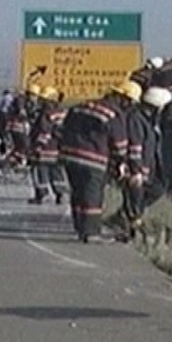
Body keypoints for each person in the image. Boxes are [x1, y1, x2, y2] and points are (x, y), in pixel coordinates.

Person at [58, 79, 142, 244]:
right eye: (130, 103)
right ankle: (91, 232)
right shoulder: (114, 113)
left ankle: (79, 227)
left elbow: (64, 127)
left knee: (78, 192)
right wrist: (121, 161)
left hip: (69, 156)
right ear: (123, 98)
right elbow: (119, 143)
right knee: (92, 195)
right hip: (94, 159)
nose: (129, 107)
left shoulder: (82, 105)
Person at [119, 86, 172, 242]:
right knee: (134, 197)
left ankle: (130, 217)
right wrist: (136, 170)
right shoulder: (136, 119)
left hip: (149, 167)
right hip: (136, 168)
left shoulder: (150, 121)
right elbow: (135, 145)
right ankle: (130, 227)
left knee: (157, 189)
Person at [27, 86, 69, 205]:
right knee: (57, 172)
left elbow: (44, 130)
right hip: (57, 149)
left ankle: (42, 194)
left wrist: (38, 146)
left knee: (40, 172)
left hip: (44, 149)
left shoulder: (45, 113)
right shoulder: (62, 112)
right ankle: (61, 194)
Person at [5, 83, 41, 167]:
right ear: (30, 94)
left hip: (19, 126)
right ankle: (11, 162)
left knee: (20, 147)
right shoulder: (21, 100)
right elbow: (22, 112)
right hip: (17, 126)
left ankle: (12, 162)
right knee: (25, 144)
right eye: (34, 96)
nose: (35, 98)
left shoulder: (29, 103)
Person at [0, 89, 15, 153]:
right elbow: (11, 107)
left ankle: (0, 147)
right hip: (6, 115)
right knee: (5, 131)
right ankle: (6, 146)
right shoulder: (10, 98)